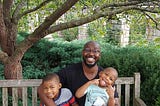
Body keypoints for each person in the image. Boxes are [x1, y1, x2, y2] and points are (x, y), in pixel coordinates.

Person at [38, 40, 119, 106]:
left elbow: (115, 101)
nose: (91, 54)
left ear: (99, 55)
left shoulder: (106, 77)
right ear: (82, 52)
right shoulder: (69, 72)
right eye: (87, 50)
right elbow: (42, 88)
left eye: (96, 51)